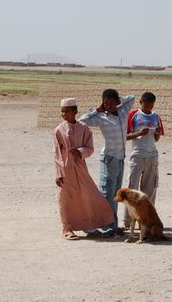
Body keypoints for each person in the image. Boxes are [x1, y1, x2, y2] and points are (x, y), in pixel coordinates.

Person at [53, 98, 114, 240]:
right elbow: (56, 153)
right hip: (65, 169)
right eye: (62, 112)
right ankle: (67, 229)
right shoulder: (58, 130)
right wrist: (59, 173)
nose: (63, 114)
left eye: (66, 112)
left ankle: (90, 227)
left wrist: (80, 152)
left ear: (75, 112)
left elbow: (90, 148)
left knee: (88, 196)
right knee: (66, 199)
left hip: (80, 168)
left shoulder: (84, 128)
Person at [79, 89, 135, 236]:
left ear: (117, 102)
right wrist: (96, 109)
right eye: (106, 103)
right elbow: (81, 121)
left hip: (120, 158)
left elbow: (132, 98)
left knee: (116, 194)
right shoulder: (100, 118)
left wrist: (118, 100)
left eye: (111, 102)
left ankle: (112, 225)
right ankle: (105, 225)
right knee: (106, 193)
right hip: (109, 158)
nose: (109, 106)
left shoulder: (123, 112)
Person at [123, 92, 164, 228]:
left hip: (152, 156)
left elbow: (156, 139)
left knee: (150, 189)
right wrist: (140, 133)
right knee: (132, 189)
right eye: (146, 105)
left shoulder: (156, 117)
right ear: (141, 102)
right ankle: (128, 221)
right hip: (137, 155)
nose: (148, 108)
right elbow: (126, 136)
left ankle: (147, 221)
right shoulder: (133, 115)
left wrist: (156, 133)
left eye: (151, 105)